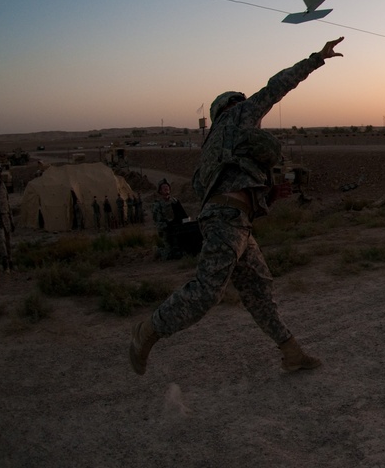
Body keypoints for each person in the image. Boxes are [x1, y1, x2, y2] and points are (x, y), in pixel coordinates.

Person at [129, 37, 344, 375]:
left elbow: (208, 189)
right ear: (231, 107)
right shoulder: (238, 118)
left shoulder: (213, 149)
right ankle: (149, 328)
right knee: (207, 291)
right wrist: (317, 58)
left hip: (234, 221)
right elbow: (276, 87)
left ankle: (291, 352)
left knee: (259, 289)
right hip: (228, 220)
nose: (252, 112)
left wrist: (261, 193)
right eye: (244, 104)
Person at [152, 179, 188, 260]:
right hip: (166, 231)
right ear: (160, 191)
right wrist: (168, 225)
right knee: (169, 255)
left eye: (167, 186)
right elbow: (158, 222)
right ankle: (158, 251)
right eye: (163, 187)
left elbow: (183, 216)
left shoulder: (175, 201)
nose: (166, 188)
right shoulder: (157, 204)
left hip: (177, 229)